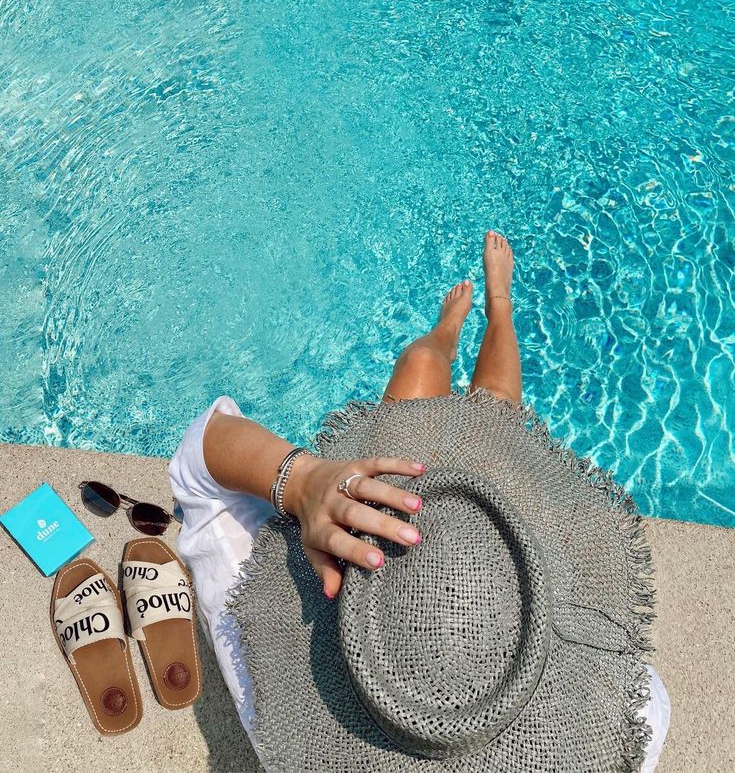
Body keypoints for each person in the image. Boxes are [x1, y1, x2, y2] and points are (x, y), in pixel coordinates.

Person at [169, 231, 670, 772]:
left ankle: (448, 329)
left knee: (421, 376)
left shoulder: (258, 691)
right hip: (488, 541)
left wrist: (303, 480)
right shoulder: (642, 720)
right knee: (496, 412)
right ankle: (499, 307)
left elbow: (198, 458)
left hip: (409, 507)